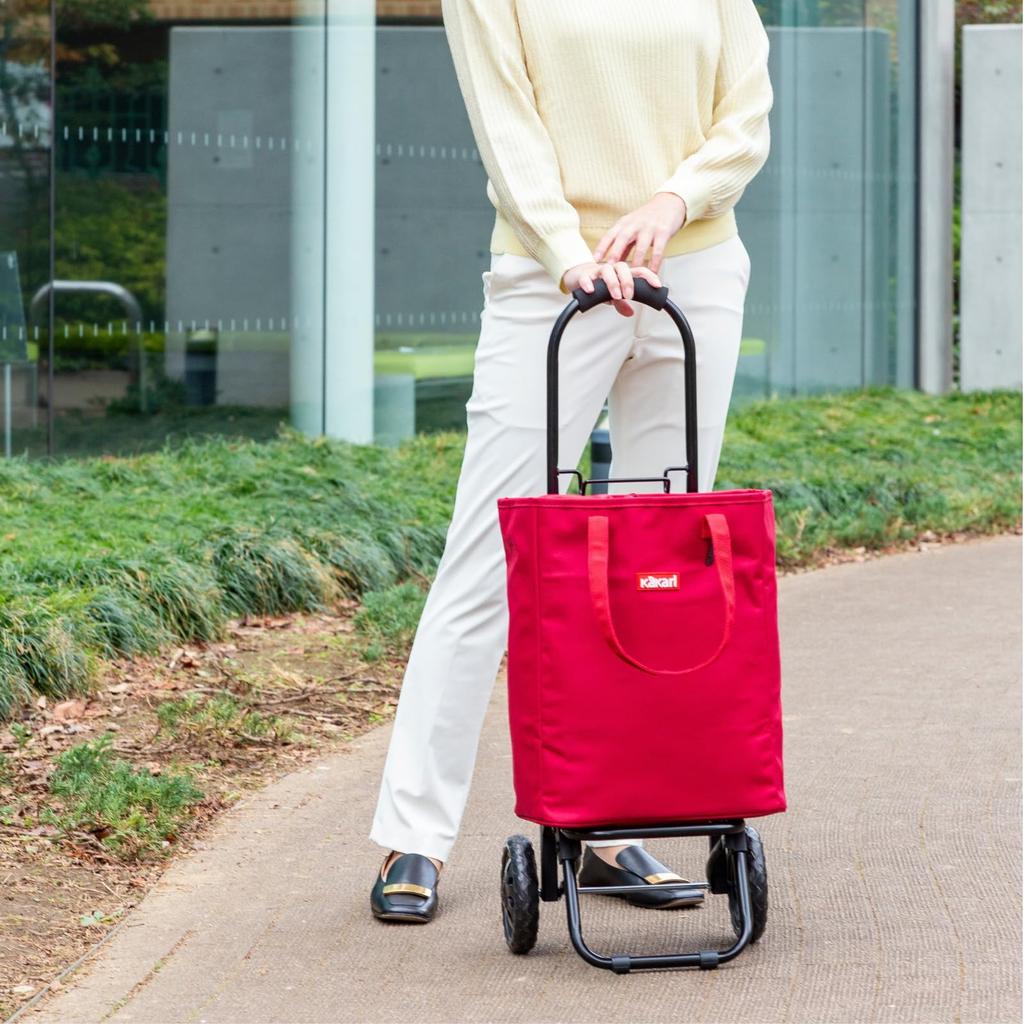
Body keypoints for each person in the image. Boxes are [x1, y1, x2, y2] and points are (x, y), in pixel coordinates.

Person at [369, 0, 774, 924]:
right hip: (551, 280)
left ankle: (612, 825)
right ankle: (413, 831)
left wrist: (675, 201)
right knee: (489, 553)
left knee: (652, 572)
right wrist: (567, 255)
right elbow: (506, 127)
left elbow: (745, 112)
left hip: (695, 271)